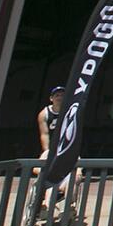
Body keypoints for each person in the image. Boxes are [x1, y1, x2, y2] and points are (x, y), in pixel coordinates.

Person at [37, 86, 73, 218]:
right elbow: (44, 134)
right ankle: (46, 204)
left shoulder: (70, 112)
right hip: (52, 149)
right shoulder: (44, 114)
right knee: (44, 169)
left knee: (76, 173)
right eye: (57, 95)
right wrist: (47, 150)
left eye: (62, 95)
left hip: (65, 147)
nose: (60, 97)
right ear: (51, 98)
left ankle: (69, 204)